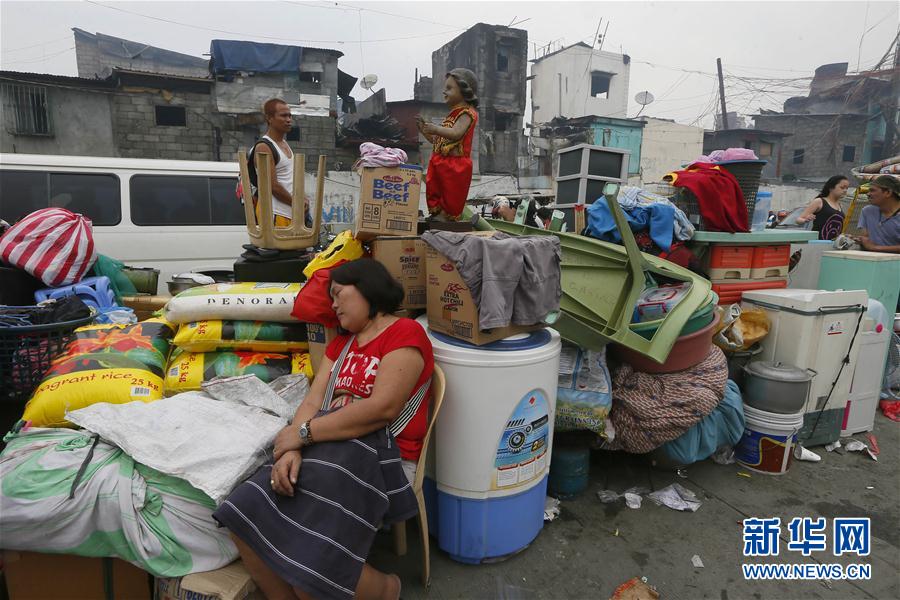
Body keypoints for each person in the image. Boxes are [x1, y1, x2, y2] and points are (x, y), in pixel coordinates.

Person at [213, 258, 434, 600]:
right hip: (328, 446)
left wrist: (302, 436)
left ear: (365, 288)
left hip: (378, 457)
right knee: (243, 513)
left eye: (338, 293)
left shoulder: (404, 332)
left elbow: (382, 408)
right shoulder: (341, 345)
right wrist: (290, 450)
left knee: (308, 569)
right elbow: (313, 404)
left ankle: (387, 589)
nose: (332, 304)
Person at [417, 68, 479, 221]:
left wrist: (436, 128)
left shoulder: (467, 113)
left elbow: (456, 133)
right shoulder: (452, 114)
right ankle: (437, 214)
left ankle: (446, 216)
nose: (444, 92)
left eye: (449, 88)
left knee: (450, 193)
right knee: (434, 188)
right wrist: (425, 131)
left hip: (454, 164)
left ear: (465, 90)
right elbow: (437, 141)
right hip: (441, 160)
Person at [251, 98, 306, 227]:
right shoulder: (264, 147)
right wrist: (297, 203)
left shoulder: (284, 144)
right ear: (269, 118)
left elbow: (289, 180)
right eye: (283, 115)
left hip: (290, 213)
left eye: (290, 115)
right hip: (275, 214)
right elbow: (272, 186)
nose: (288, 119)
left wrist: (303, 198)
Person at [854, 175, 900, 253]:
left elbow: (872, 247)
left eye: (872, 190)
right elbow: (866, 239)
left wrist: (876, 248)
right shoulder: (867, 211)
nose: (868, 194)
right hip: (872, 262)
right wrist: (857, 240)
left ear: (888, 192)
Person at [795, 175, 849, 240]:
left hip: (834, 245)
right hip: (819, 243)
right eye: (842, 187)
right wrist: (805, 220)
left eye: (847, 188)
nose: (845, 190)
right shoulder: (819, 201)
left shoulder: (840, 205)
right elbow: (798, 220)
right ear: (831, 187)